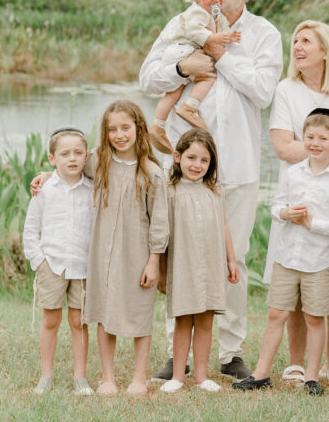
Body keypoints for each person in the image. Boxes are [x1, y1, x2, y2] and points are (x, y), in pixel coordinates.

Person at [140, 0, 282, 382]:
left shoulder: (263, 34)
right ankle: (175, 351)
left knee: (231, 256)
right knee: (180, 255)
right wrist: (186, 66)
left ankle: (230, 350)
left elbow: (262, 91)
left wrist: (219, 54)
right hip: (183, 168)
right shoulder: (184, 22)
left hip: (235, 164)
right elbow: (148, 78)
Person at [266, 20, 329, 387]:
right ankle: (294, 363)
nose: (298, 46)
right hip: (302, 190)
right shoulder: (287, 90)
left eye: (307, 41)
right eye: (295, 40)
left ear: (327, 50)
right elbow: (283, 146)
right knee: (296, 270)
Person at [234, 109, 329, 394]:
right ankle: (261, 372)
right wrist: (285, 213)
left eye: (322, 138)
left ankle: (312, 376)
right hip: (287, 256)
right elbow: (275, 206)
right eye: (310, 137)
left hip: (319, 261)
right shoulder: (293, 173)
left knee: (314, 317)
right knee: (277, 313)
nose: (315, 143)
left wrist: (313, 224)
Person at [82, 100, 168, 394]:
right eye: (112, 129)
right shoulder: (98, 162)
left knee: (138, 312)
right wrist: (44, 178)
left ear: (138, 128)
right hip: (103, 252)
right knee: (104, 312)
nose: (119, 135)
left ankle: (139, 378)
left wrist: (153, 261)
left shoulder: (151, 172)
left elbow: (159, 222)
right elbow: (66, 168)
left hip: (137, 254)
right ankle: (107, 378)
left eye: (125, 128)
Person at [159, 129, 239, 394]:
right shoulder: (170, 191)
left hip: (211, 264)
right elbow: (162, 232)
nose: (197, 165)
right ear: (178, 157)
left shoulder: (215, 190)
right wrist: (160, 268)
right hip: (183, 264)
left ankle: (202, 376)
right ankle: (178, 376)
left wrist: (231, 259)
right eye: (191, 158)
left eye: (204, 161)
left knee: (205, 320)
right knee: (184, 319)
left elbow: (224, 225)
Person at [23, 127, 94, 396]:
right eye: (65, 154)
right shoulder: (45, 190)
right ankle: (46, 376)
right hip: (51, 264)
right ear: (52, 159)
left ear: (86, 156)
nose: (72, 158)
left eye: (78, 153)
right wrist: (39, 261)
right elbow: (30, 230)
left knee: (78, 322)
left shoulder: (92, 188)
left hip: (82, 266)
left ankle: (80, 377)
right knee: (51, 319)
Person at [149, 0, 241, 153]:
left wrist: (228, 36)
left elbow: (222, 29)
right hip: (182, 49)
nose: (216, 0)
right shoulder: (197, 12)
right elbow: (195, 31)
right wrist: (215, 38)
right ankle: (190, 106)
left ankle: (158, 124)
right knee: (208, 74)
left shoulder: (215, 14)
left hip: (185, 51)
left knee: (174, 90)